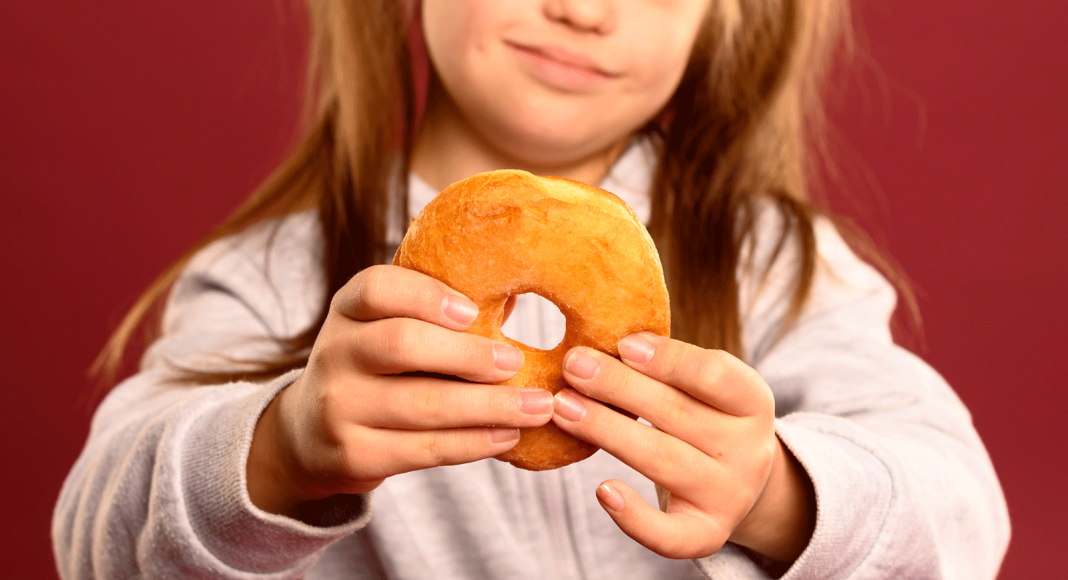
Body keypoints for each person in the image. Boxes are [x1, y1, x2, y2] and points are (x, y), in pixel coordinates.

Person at [53, 0, 1010, 578]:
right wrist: (279, 452)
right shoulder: (281, 280)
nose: (588, 9)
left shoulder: (776, 266)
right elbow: (95, 542)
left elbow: (962, 517)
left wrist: (776, 490)